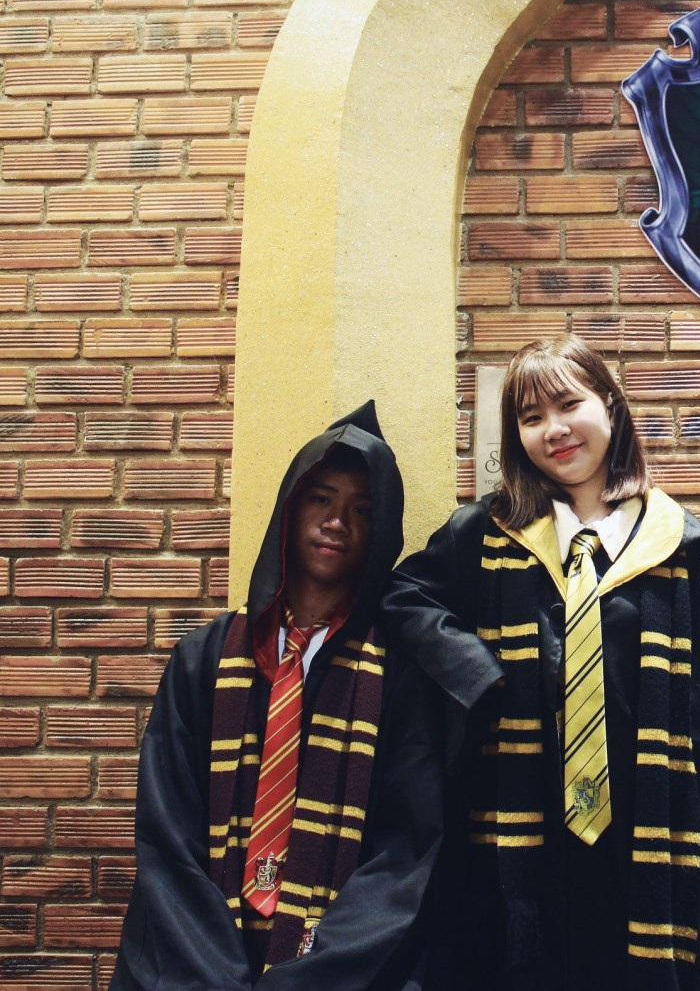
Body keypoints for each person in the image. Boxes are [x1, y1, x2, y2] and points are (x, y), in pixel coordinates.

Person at [381, 334, 700, 990]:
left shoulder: (684, 551)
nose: (553, 429)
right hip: (521, 842)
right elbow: (401, 599)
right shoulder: (484, 536)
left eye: (569, 404)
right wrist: (475, 669)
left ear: (610, 405)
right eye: (531, 417)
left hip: (646, 837)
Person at [112, 402, 444, 990]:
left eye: (361, 509)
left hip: (339, 967)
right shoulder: (203, 659)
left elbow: (405, 849)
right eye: (320, 499)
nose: (336, 521)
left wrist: (309, 978)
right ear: (289, 509)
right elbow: (168, 834)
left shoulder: (400, 675)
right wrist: (217, 975)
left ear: (381, 533)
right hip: (197, 957)